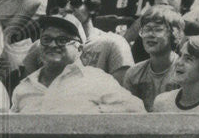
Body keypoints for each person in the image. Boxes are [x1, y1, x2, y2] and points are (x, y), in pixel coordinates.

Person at [10, 10, 144, 114]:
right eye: (46, 39)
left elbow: (136, 110)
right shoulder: (24, 87)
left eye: (62, 40)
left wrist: (93, 115)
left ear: (80, 48)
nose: (52, 45)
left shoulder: (97, 80)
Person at [122, 5, 185, 111]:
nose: (150, 35)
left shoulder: (183, 70)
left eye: (158, 30)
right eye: (146, 29)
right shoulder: (134, 74)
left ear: (174, 34)